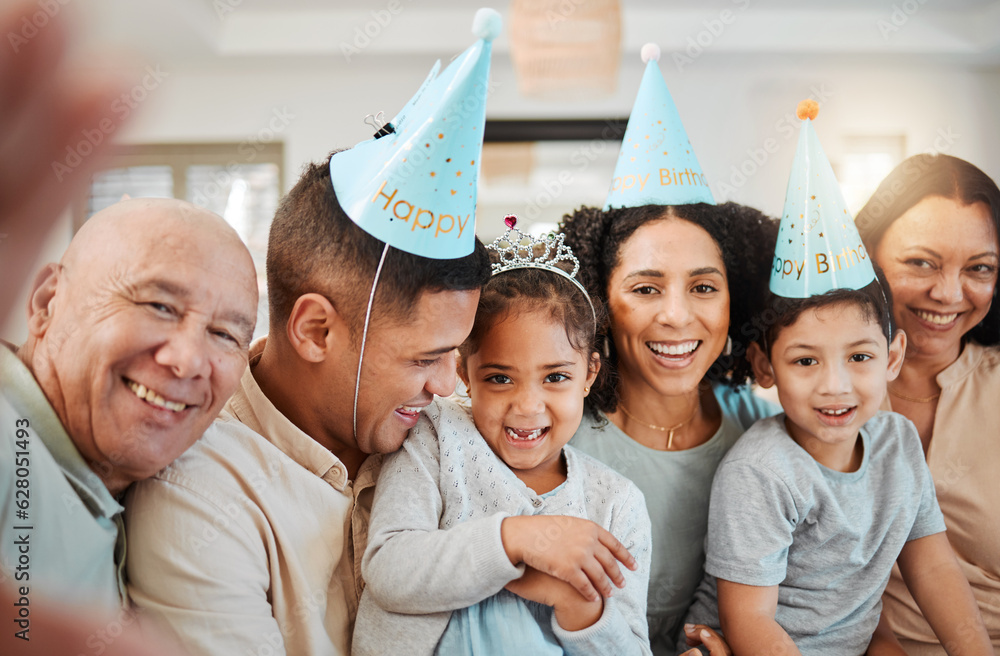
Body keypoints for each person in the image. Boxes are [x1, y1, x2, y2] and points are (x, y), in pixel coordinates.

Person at [684, 106, 992, 656]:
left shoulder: (896, 443)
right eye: (805, 361)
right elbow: (750, 622)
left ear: (890, 357)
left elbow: (933, 565)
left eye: (858, 357)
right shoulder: (760, 472)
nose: (835, 386)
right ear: (763, 367)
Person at [560, 45, 779, 650]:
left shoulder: (767, 436)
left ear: (735, 300)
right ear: (601, 302)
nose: (677, 316)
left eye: (704, 287)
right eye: (646, 288)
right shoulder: (556, 430)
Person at [354, 218, 652, 655]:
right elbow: (389, 569)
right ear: (463, 373)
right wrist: (515, 541)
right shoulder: (435, 437)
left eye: (555, 376)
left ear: (588, 374)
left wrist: (574, 602)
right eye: (499, 378)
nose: (528, 406)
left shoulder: (616, 503)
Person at [856, 153, 1000, 653]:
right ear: (870, 253)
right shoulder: (816, 392)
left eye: (979, 268)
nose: (948, 293)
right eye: (922, 262)